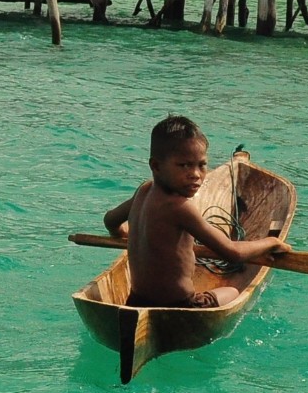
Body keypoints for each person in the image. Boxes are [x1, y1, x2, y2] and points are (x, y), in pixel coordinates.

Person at [102, 115, 284, 308]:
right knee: (232, 291)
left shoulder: (143, 191)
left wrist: (122, 233)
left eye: (202, 165)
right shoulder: (179, 207)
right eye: (184, 165)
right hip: (181, 305)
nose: (195, 174)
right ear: (156, 166)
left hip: (136, 301)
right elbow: (233, 253)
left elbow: (109, 220)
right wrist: (271, 242)